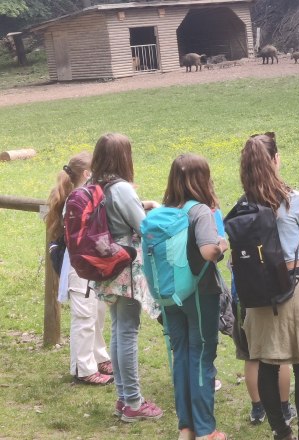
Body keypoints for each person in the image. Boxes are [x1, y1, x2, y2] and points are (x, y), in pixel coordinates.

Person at [238, 133, 299, 440]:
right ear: (274, 161)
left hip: (258, 296)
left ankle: (281, 431)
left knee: (267, 366)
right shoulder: (295, 199)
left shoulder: (242, 207)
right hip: (298, 288)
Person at [89, 133, 163, 422]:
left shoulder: (94, 184)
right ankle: (133, 402)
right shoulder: (120, 188)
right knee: (128, 332)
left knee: (119, 328)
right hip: (125, 266)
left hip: (104, 263)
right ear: (124, 158)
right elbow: (144, 228)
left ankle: (124, 397)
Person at [159, 154, 228, 440]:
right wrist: (221, 244)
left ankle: (186, 427)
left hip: (171, 296)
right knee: (201, 358)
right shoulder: (200, 211)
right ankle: (205, 430)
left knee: (181, 356)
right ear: (201, 179)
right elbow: (207, 251)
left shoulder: (165, 210)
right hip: (200, 295)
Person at [46, 151, 113, 385]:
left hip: (92, 264)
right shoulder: (77, 201)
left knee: (97, 311)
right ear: (87, 174)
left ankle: (99, 357)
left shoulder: (88, 196)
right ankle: (83, 369)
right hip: (79, 266)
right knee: (84, 315)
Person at [230, 280, 297, 426]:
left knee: (250, 356)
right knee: (280, 353)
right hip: (274, 299)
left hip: (244, 299)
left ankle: (258, 409)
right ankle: (284, 408)